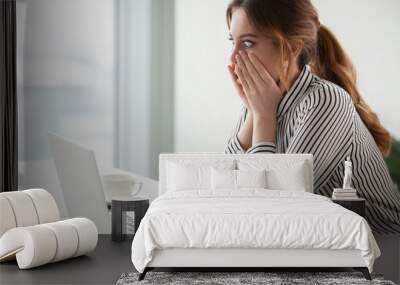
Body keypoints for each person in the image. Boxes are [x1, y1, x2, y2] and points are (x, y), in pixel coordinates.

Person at [224, 0, 400, 234]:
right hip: (320, 246)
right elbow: (227, 189)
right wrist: (254, 112)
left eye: (247, 43)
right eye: (231, 42)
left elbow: (277, 208)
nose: (234, 56)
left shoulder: (326, 101)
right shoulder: (261, 102)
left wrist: (263, 116)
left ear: (291, 47)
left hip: (382, 251)